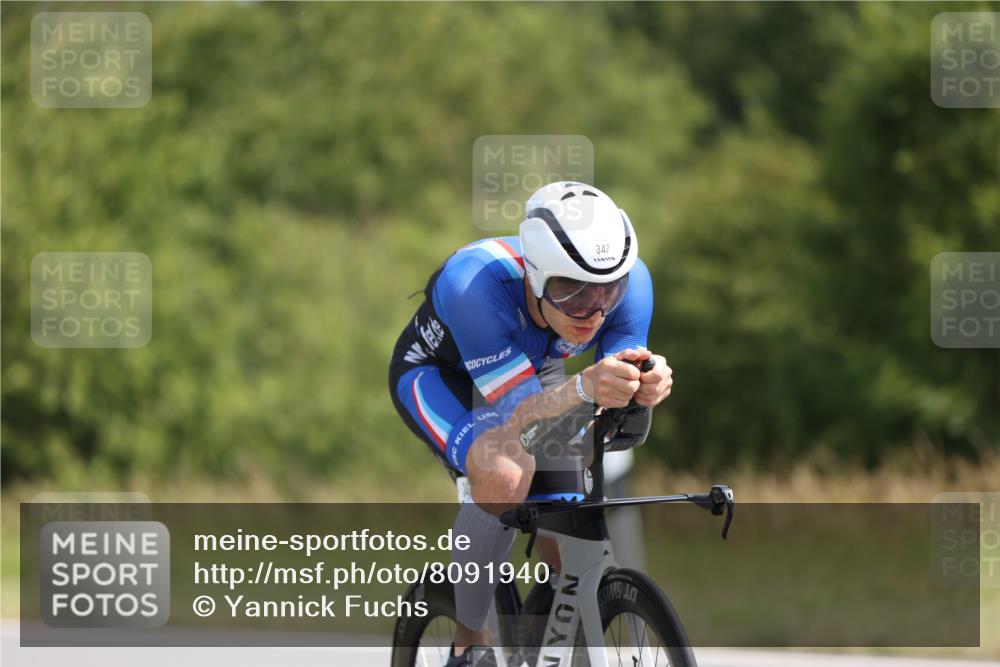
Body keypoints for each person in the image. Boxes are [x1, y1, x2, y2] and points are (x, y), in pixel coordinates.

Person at [387, 181, 674, 666]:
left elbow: (609, 406)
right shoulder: (472, 284)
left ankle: (542, 633)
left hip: (532, 370)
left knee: (568, 512)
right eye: (571, 292)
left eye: (607, 291)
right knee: (504, 473)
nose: (594, 312)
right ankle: (469, 641)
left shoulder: (631, 282)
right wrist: (586, 387)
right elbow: (520, 417)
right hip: (442, 376)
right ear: (536, 275)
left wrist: (646, 386)